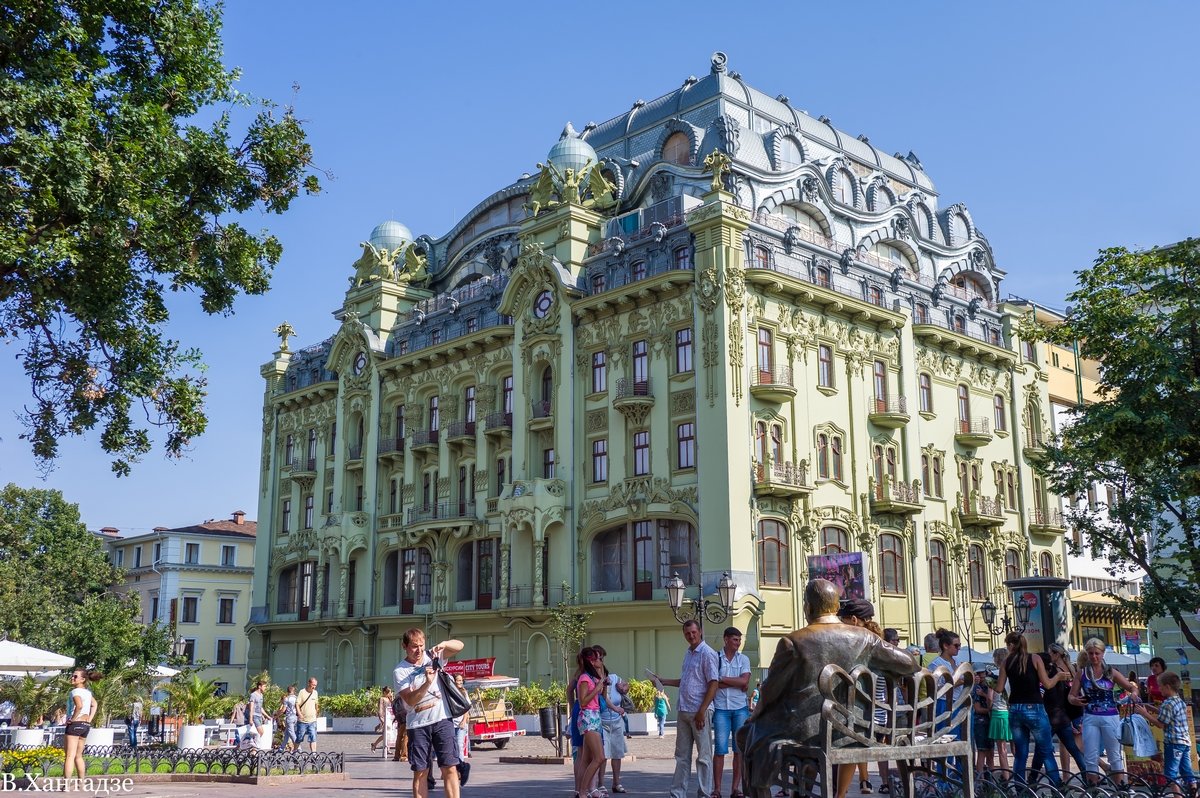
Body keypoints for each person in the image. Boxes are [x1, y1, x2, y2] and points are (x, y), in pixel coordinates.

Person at [740, 580, 917, 797]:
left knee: (746, 734)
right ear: (835, 608)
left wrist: (755, 714)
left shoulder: (793, 641)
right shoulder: (865, 638)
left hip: (806, 732)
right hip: (853, 731)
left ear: (808, 607)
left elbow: (770, 690)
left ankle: (768, 791)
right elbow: (909, 663)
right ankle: (803, 790)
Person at [650, 619, 719, 798]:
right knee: (682, 757)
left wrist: (702, 711)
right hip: (684, 710)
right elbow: (687, 682)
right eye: (687, 634)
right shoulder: (689, 653)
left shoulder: (707, 653)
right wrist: (663, 681)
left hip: (700, 712)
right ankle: (678, 793)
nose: (691, 636)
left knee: (703, 757)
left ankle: (704, 793)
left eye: (694, 632)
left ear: (700, 631)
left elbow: (713, 683)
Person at [394, 627, 465, 798]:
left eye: (421, 645)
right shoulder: (400, 671)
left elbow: (460, 645)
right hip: (418, 725)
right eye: (413, 646)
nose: (418, 650)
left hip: (442, 719)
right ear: (404, 646)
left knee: (450, 768)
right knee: (421, 772)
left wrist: (444, 644)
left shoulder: (432, 656)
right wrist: (427, 683)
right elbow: (410, 701)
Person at [995, 632, 1069, 787]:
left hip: (1015, 709)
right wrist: (1059, 677)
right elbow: (1047, 684)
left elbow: (999, 688)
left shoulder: (1006, 662)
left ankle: (1019, 788)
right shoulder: (1035, 659)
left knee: (1021, 753)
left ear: (1010, 645)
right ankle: (1056, 785)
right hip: (1034, 707)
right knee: (1046, 750)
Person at [1069, 637, 1140, 785]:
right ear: (1087, 654)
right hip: (1090, 717)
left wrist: (1134, 693)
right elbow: (1071, 695)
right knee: (1090, 755)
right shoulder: (1082, 673)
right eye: (1091, 653)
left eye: (1097, 653)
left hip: (1110, 716)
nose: (1094, 657)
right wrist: (1074, 700)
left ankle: (1120, 788)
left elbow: (1131, 687)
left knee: (1114, 755)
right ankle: (1093, 788)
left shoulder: (1110, 672)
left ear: (1102, 654)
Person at [1137, 671, 1193, 796]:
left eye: (1160, 686)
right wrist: (1153, 709)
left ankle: (1177, 795)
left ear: (1167, 686)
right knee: (1186, 771)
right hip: (1185, 742)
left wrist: (1145, 714)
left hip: (1173, 743)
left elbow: (1161, 724)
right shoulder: (1179, 701)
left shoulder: (1167, 704)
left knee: (1171, 773)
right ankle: (1194, 792)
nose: (1159, 689)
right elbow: (1169, 716)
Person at [712, 626, 752, 798]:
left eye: (739, 639)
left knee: (739, 750)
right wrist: (736, 683)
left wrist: (722, 679)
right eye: (735, 639)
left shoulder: (744, 659)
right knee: (720, 750)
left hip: (740, 709)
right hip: (721, 708)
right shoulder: (715, 658)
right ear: (726, 639)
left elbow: (745, 680)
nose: (738, 643)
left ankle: (736, 789)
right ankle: (717, 789)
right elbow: (712, 683)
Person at [1037, 644, 1086, 776]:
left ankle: (1042, 778)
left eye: (1050, 653)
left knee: (1043, 749)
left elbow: (1049, 690)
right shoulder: (1071, 668)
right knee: (1074, 747)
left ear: (1056, 654)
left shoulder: (1054, 671)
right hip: (1069, 711)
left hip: (1058, 712)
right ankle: (1086, 776)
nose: (1048, 657)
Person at [594, 645, 630, 795]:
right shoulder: (594, 679)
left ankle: (616, 782)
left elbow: (625, 686)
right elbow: (604, 698)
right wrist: (616, 709)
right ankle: (601, 783)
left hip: (616, 721)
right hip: (602, 720)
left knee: (617, 752)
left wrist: (625, 688)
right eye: (597, 657)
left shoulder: (613, 678)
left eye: (601, 657)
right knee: (603, 755)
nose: (600, 660)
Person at [574, 647, 608, 798]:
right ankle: (582, 792)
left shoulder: (593, 677)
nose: (601, 661)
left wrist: (602, 683)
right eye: (599, 659)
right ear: (591, 661)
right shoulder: (584, 678)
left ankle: (585, 791)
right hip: (588, 718)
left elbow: (602, 697)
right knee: (599, 757)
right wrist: (597, 689)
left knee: (587, 759)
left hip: (595, 716)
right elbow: (583, 702)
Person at [63, 669, 101, 782]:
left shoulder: (75, 691)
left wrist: (72, 720)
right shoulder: (88, 693)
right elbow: (94, 704)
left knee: (69, 756)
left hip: (74, 725)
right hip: (85, 725)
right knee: (78, 756)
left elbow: (79, 706)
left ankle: (66, 784)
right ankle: (81, 782)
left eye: (75, 677)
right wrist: (89, 719)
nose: (72, 678)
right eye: (72, 676)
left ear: (82, 679)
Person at [988, 650, 1011, 773]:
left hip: (998, 712)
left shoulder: (993, 675)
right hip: (1011, 712)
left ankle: (1006, 776)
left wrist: (988, 707)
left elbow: (990, 697)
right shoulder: (1012, 673)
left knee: (1002, 749)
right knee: (1015, 746)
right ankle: (1018, 774)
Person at [971, 670, 994, 773]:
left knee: (991, 752)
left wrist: (984, 695)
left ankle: (991, 780)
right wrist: (990, 710)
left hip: (989, 722)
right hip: (980, 722)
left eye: (983, 674)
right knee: (982, 751)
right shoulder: (976, 688)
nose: (982, 677)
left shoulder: (988, 686)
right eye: (979, 675)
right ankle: (980, 780)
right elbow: (977, 709)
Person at [453, 674, 471, 787]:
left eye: (460, 680)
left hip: (460, 724)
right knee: (451, 748)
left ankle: (461, 769)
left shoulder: (464, 693)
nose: (459, 682)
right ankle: (454, 770)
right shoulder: (450, 691)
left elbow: (466, 708)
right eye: (457, 680)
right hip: (450, 723)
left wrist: (464, 721)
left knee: (459, 746)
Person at [296, 676, 320, 753]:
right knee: (299, 737)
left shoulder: (315, 693)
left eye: (315, 685)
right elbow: (297, 704)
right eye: (313, 685)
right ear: (309, 683)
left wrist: (316, 712)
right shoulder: (302, 692)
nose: (314, 687)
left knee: (313, 737)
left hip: (312, 720)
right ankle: (295, 751)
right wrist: (299, 713)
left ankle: (314, 753)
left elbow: (316, 704)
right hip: (302, 720)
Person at [372, 686, 394, 753]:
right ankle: (375, 744)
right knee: (385, 734)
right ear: (384, 692)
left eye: (390, 692)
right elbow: (380, 709)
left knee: (389, 734)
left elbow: (393, 706)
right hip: (384, 717)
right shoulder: (382, 699)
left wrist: (392, 698)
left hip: (390, 717)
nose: (389, 694)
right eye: (388, 692)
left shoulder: (389, 699)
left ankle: (386, 748)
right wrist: (381, 719)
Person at [278, 683, 298, 751]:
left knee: (292, 733)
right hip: (295, 717)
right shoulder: (296, 698)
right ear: (293, 691)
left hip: (289, 717)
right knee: (287, 734)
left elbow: (283, 709)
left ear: (287, 691)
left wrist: (277, 715)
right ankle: (281, 748)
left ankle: (298, 748)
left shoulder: (287, 699)